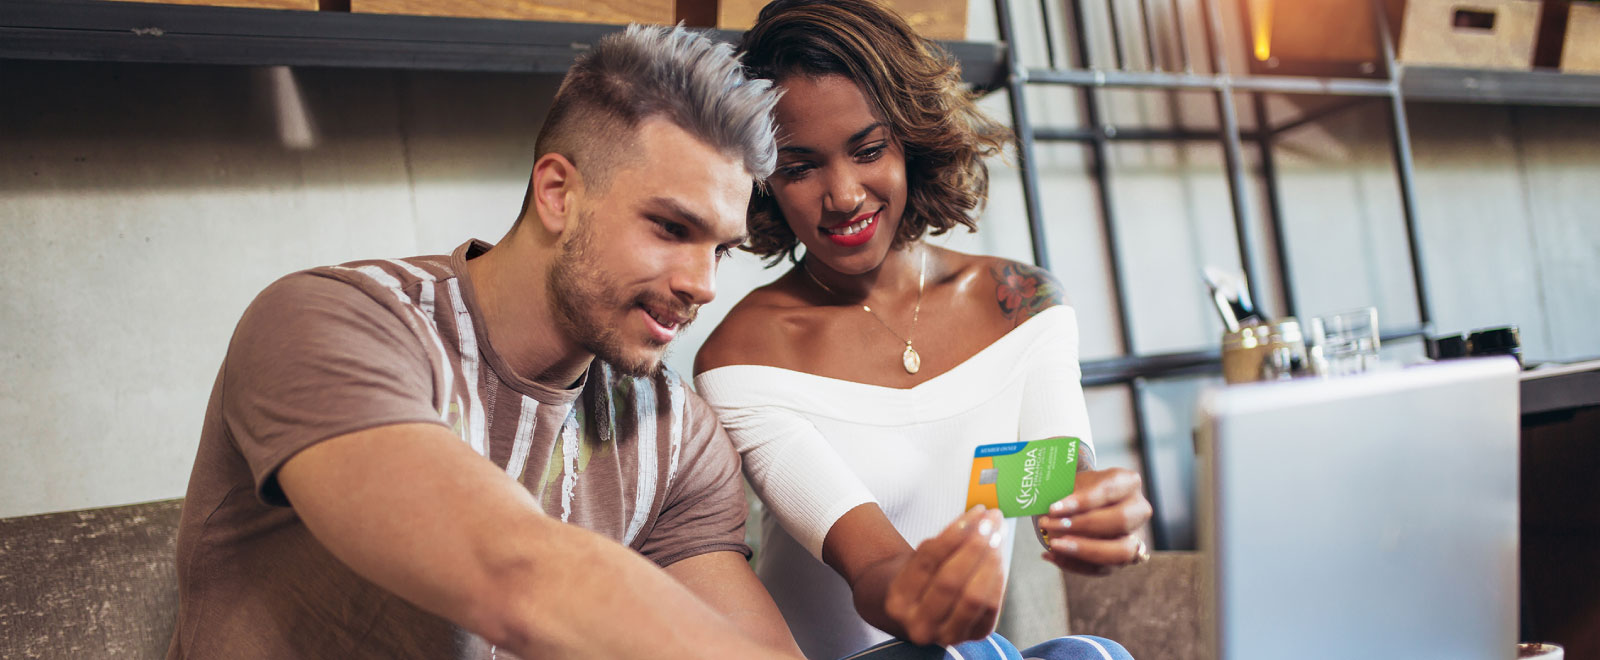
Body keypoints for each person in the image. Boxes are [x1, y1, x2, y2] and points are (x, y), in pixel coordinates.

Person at [167, 25, 805, 660]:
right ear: (558, 193)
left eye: (720, 249)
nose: (704, 284)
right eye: (670, 227)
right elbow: (515, 576)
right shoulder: (332, 323)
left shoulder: (676, 434)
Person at [693, 1, 1151, 659]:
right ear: (763, 182)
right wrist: (918, 594)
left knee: (1092, 656)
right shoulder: (747, 358)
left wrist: (1095, 516)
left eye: (868, 149)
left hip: (970, 653)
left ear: (910, 140)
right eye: (800, 167)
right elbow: (875, 568)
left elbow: (1049, 481)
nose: (844, 194)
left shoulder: (1020, 306)